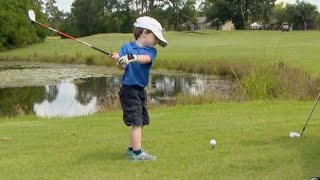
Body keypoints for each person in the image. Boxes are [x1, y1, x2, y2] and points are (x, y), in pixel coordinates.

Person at [110, 16, 168, 161]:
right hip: (129, 90)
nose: (156, 42)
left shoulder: (151, 51)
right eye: (155, 38)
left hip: (140, 91)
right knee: (137, 122)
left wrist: (132, 57)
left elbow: (145, 59)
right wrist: (119, 60)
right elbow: (122, 66)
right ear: (144, 32)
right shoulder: (125, 48)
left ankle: (131, 149)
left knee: (141, 121)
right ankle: (137, 154)